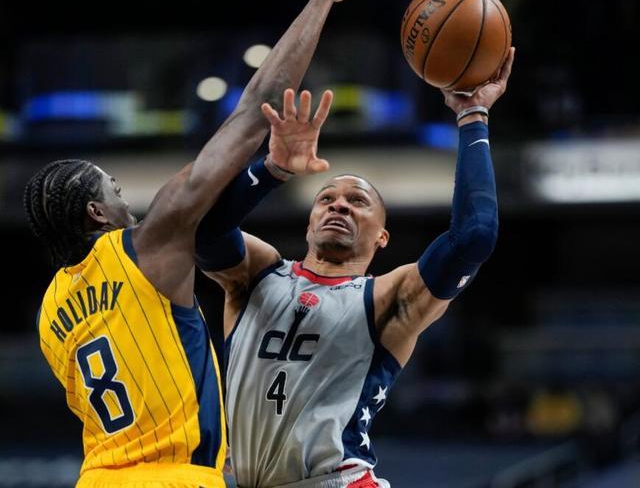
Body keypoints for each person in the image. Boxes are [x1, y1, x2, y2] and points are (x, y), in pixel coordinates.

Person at [22, 0, 381, 487]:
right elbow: (255, 107)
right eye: (114, 190)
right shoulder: (145, 246)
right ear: (97, 213)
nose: (126, 201)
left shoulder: (49, 314)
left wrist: (271, 172)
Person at [195, 48, 516, 488]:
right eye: (326, 198)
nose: (339, 205)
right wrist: (272, 170)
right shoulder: (258, 275)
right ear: (309, 222)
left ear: (382, 237)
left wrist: (472, 115)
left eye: (357, 201)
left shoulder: (386, 297)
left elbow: (474, 237)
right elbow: (202, 231)